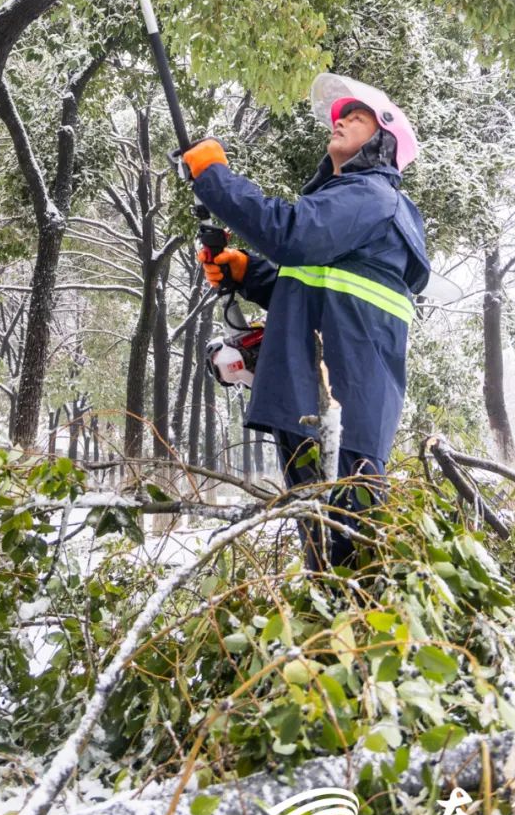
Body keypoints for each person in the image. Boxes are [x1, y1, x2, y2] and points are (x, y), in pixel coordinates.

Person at [182, 73, 430, 571]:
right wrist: (249, 273)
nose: (340, 122)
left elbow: (291, 234)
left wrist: (214, 177)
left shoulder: (373, 195)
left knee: (350, 556)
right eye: (340, 116)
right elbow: (321, 293)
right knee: (325, 552)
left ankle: (356, 618)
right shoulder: (352, 204)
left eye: (356, 118)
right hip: (323, 400)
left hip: (343, 408)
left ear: (383, 143)